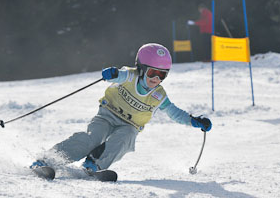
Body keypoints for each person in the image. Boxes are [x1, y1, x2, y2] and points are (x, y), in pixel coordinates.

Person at [30, 43, 212, 174]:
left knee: (126, 138)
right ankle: (48, 160)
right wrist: (112, 74)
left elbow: (174, 112)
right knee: (92, 139)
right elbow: (117, 76)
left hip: (130, 125)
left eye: (162, 75)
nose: (156, 79)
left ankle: (94, 165)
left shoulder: (158, 95)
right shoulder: (130, 76)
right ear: (141, 69)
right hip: (107, 116)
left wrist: (193, 121)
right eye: (152, 73)